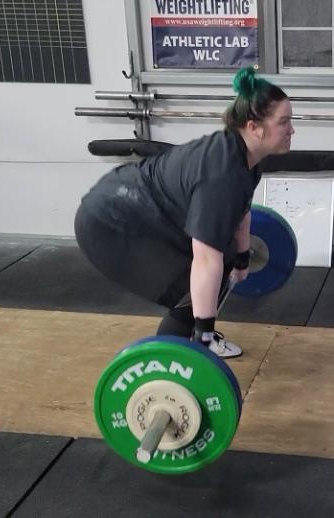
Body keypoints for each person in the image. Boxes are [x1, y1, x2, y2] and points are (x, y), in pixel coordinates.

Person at [74, 66, 294, 359]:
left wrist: (241, 257)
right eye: (284, 122)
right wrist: (203, 331)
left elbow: (241, 212)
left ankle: (194, 338)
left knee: (222, 259)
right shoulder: (222, 174)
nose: (292, 130)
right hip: (111, 222)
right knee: (187, 294)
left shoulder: (247, 156)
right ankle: (171, 365)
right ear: (255, 127)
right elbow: (205, 259)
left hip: (145, 211)